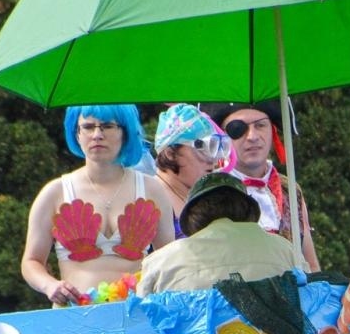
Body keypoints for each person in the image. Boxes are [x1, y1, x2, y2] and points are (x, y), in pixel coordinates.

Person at [22, 105, 177, 306]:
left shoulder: (153, 190)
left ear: (125, 132)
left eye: (107, 126)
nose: (97, 135)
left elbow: (170, 260)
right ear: (76, 134)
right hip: (74, 319)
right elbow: (31, 261)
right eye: (87, 126)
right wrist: (49, 285)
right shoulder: (54, 193)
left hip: (138, 316)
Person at [137, 172, 308, 294]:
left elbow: (141, 319)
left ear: (192, 218)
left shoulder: (160, 261)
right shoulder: (286, 250)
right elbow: (310, 293)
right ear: (248, 210)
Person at [212, 102, 321, 271]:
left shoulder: (289, 189)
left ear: (273, 131)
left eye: (260, 125)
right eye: (237, 128)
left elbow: (311, 263)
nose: (252, 136)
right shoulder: (212, 191)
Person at [151, 104, 230, 237]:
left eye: (214, 147)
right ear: (170, 153)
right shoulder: (148, 197)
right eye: (202, 148)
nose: (212, 160)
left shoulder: (201, 197)